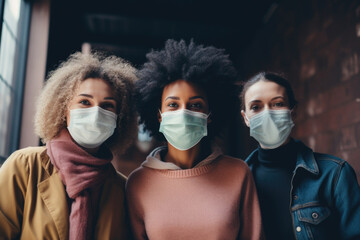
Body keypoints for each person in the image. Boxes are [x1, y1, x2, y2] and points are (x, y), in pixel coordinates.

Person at [126, 39, 264, 240]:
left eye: (195, 105)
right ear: (158, 115)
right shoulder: (137, 183)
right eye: (173, 105)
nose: (183, 113)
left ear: (210, 115)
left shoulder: (238, 173)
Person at [0, 52, 137, 239]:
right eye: (84, 102)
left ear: (119, 118)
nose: (96, 113)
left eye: (107, 106)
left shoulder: (121, 188)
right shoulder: (25, 166)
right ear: (64, 110)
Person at [240, 71, 360, 240]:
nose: (267, 113)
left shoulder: (335, 174)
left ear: (293, 112)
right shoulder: (238, 181)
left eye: (277, 104)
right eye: (256, 107)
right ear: (245, 118)